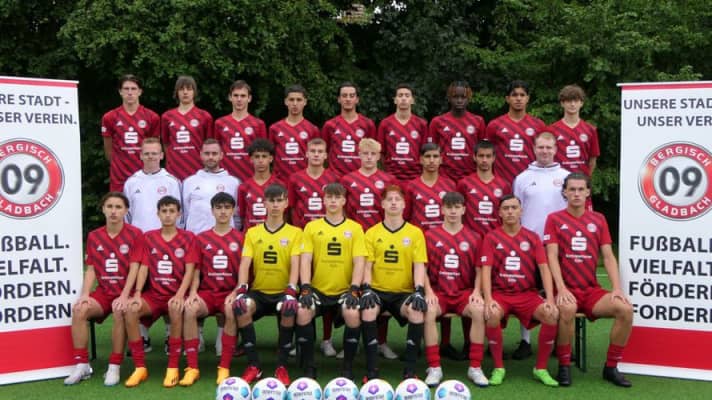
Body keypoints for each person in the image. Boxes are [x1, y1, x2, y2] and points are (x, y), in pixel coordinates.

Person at [544, 173, 633, 387]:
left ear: (587, 192)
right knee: (567, 309)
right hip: (566, 288)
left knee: (626, 310)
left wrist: (617, 288)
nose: (576, 193)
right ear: (565, 192)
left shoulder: (598, 219)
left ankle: (611, 367)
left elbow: (608, 256)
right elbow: (551, 256)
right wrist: (561, 288)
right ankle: (564, 366)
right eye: (572, 189)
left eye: (580, 189)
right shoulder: (554, 219)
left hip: (591, 291)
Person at [64, 192, 143, 386]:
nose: (114, 211)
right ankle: (82, 365)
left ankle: (114, 366)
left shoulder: (135, 234)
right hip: (104, 292)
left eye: (118, 207)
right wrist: (85, 294)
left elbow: (135, 268)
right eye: (110, 207)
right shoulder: (94, 236)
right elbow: (91, 269)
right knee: (80, 309)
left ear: (126, 210)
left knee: (120, 310)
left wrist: (124, 296)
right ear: (103, 209)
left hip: (127, 291)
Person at [480, 195, 559, 387]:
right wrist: (488, 299)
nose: (510, 212)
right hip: (501, 294)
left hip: (527, 295)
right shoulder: (491, 237)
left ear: (521, 211)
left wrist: (549, 298)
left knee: (551, 314)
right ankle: (499, 367)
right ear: (499, 213)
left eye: (514, 208)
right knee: (491, 314)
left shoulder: (532, 237)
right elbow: (486, 270)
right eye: (506, 208)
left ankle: (540, 368)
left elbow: (544, 268)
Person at [124, 196, 198, 388]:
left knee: (175, 308)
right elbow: (143, 268)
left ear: (179, 214)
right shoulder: (148, 237)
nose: (167, 215)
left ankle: (172, 367)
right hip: (154, 296)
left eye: (172, 211)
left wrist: (180, 295)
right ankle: (139, 367)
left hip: (177, 294)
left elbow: (190, 270)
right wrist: (137, 293)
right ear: (158, 214)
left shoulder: (188, 237)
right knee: (131, 310)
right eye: (164, 211)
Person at [232, 183, 302, 385]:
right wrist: (242, 288)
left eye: (279, 200)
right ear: (264, 203)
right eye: (271, 201)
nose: (275, 205)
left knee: (289, 308)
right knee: (241, 307)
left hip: (283, 292)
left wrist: (291, 289)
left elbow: (296, 264)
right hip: (259, 292)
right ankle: (254, 365)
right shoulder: (253, 233)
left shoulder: (295, 232)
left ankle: (281, 366)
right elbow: (245, 263)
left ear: (286, 203)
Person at [295, 183, 366, 379]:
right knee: (303, 311)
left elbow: (359, 261)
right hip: (317, 289)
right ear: (324, 201)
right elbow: (305, 259)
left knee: (352, 314)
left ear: (344, 201)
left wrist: (354, 289)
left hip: (345, 289)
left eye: (337, 197)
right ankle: (309, 366)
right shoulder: (312, 227)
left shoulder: (355, 228)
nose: (333, 201)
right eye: (329, 197)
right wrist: (305, 287)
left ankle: (347, 367)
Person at [360, 184, 428, 381]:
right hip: (377, 291)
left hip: (403, 293)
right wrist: (366, 289)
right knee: (368, 310)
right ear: (382, 204)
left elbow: (419, 265)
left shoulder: (415, 233)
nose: (393, 203)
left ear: (404, 204)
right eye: (389, 199)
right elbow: (367, 266)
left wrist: (419, 290)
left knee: (416, 311)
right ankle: (371, 371)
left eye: (397, 199)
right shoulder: (372, 233)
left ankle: (410, 371)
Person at [510, 132, 569, 359]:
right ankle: (525, 341)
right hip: (528, 246)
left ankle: (559, 342)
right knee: (527, 292)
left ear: (555, 149)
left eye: (548, 147)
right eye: (541, 147)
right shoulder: (522, 178)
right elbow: (516, 211)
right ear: (534, 149)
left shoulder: (566, 177)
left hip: (558, 247)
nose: (545, 151)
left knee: (558, 292)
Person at [422, 192, 488, 388]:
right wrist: (428, 292)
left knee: (478, 310)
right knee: (428, 310)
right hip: (439, 292)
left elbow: (479, 269)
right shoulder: (430, 235)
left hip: (463, 293)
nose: (453, 211)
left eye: (457, 207)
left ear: (464, 210)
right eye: (449, 207)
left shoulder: (474, 237)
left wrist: (477, 292)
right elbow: (422, 269)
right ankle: (434, 367)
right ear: (442, 209)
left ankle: (475, 367)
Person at [180, 193, 244, 386]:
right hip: (207, 293)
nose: (223, 211)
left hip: (229, 292)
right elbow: (196, 270)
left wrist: (236, 292)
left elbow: (245, 271)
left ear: (233, 211)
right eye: (219, 207)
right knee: (190, 309)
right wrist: (193, 293)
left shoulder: (241, 238)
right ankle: (192, 368)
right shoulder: (201, 238)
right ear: (212, 210)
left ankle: (224, 367)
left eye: (227, 207)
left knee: (231, 310)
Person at [102, 74, 160, 191]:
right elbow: (108, 151)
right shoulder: (110, 117)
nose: (130, 92)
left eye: (133, 89)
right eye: (126, 89)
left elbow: (154, 150)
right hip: (119, 177)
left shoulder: (152, 117)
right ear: (120, 92)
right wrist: (118, 166)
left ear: (140, 92)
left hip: (145, 176)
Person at [484, 80, 547, 185]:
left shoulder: (539, 125)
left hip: (531, 182)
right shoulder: (495, 125)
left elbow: (545, 155)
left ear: (527, 98)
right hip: (501, 182)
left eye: (522, 95)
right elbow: (486, 154)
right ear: (507, 99)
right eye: (514, 95)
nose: (518, 98)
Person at [427, 81, 486, 182]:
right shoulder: (437, 122)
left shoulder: (478, 121)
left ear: (469, 98)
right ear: (449, 98)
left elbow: (483, 150)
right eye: (455, 97)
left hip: (470, 176)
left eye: (463, 97)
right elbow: (431, 150)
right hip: (444, 176)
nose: (459, 100)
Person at [161, 75, 214, 181]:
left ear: (194, 92)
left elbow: (209, 145)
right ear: (177, 92)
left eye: (189, 89)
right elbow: (166, 144)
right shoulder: (167, 116)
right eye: (181, 89)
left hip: (198, 170)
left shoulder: (204, 116)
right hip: (173, 171)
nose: (185, 92)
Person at [124, 138, 182, 233]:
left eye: (154, 153)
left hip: (164, 237)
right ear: (141, 156)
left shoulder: (172, 182)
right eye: (146, 153)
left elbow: (179, 213)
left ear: (161, 155)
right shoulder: (131, 182)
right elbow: (126, 215)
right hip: (138, 236)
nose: (150, 156)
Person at [214, 80, 267, 183]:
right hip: (225, 178)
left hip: (251, 177)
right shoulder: (220, 123)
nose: (239, 99)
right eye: (236, 95)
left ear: (249, 98)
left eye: (243, 96)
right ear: (230, 97)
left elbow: (264, 154)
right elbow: (215, 151)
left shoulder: (258, 124)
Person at [183, 139, 240, 234]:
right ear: (201, 155)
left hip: (224, 238)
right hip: (196, 237)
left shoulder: (233, 182)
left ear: (221, 155)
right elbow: (184, 213)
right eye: (207, 153)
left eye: (214, 153)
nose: (210, 157)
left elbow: (237, 216)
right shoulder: (189, 182)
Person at [321, 82, 376, 178]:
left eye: (351, 96)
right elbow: (324, 152)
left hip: (360, 178)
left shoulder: (368, 124)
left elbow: (373, 152)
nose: (348, 99)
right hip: (335, 178)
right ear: (339, 99)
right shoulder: (329, 125)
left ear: (357, 99)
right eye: (344, 96)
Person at [457, 140, 511, 238]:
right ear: (474, 157)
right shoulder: (464, 184)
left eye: (488, 156)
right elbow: (458, 212)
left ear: (494, 158)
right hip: (470, 238)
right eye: (481, 156)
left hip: (496, 238)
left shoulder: (504, 185)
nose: (484, 160)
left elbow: (507, 214)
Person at [341, 138, 396, 230]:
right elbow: (341, 207)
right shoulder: (347, 180)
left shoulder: (389, 180)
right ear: (359, 155)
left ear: (378, 156)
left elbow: (394, 207)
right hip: (354, 230)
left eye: (373, 154)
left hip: (381, 230)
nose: (369, 157)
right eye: (365, 153)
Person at [269, 84, 320, 182]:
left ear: (305, 102)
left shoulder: (312, 129)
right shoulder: (274, 128)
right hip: (280, 181)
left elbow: (317, 157)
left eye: (299, 100)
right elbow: (270, 156)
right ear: (286, 101)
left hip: (305, 180)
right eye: (291, 100)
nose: (295, 103)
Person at [377, 84, 428, 181]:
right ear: (395, 100)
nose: (403, 98)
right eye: (400, 95)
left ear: (412, 100)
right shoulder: (385, 123)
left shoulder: (421, 124)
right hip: (391, 176)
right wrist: (387, 170)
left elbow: (425, 152)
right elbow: (380, 152)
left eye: (407, 95)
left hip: (415, 177)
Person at [548, 85, 600, 177]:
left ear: (581, 103)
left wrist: (586, 178)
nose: (572, 104)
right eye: (568, 101)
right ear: (562, 103)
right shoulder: (551, 130)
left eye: (576, 101)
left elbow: (592, 160)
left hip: (581, 180)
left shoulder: (590, 129)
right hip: (557, 180)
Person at [287, 138, 339, 228]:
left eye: (320, 151)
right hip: (302, 230)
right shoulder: (295, 178)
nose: (316, 154)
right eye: (312, 151)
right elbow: (291, 207)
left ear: (325, 155)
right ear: (307, 154)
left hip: (327, 229)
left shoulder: (334, 178)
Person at [405, 143, 455, 231]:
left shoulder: (450, 185)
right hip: (419, 236)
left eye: (435, 156)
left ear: (441, 160)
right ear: (421, 160)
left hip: (443, 236)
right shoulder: (411, 186)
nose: (431, 160)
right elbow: (406, 216)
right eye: (427, 156)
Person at [238, 138, 284, 230]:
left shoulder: (280, 186)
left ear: (270, 158)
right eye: (257, 156)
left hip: (274, 234)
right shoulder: (243, 187)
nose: (260, 160)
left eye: (264, 156)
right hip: (251, 236)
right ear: (251, 159)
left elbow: (284, 214)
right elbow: (242, 216)